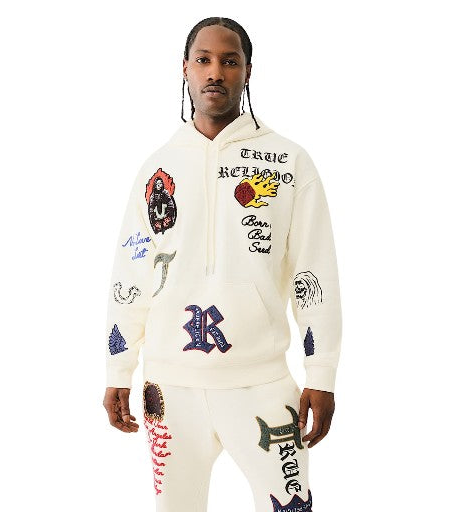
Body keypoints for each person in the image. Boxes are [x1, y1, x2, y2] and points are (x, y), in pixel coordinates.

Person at [102, 16, 342, 512]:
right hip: (169, 388)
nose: (215, 72)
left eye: (229, 61)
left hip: (262, 384)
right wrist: (117, 369)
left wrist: (321, 373)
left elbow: (312, 271)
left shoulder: (288, 162)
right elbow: (132, 272)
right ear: (185, 69)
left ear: (247, 71)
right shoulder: (157, 168)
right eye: (204, 60)